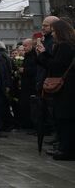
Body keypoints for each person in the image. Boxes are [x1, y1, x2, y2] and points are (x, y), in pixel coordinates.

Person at [36, 19, 75, 160]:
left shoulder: (65, 46)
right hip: (67, 87)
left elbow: (56, 65)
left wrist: (43, 55)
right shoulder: (67, 45)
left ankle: (67, 150)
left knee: (65, 119)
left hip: (67, 88)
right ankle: (64, 147)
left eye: (53, 31)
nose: (52, 34)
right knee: (64, 119)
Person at [19, 38, 38, 130]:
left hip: (32, 85)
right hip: (26, 84)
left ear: (31, 45)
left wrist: (25, 70)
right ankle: (28, 124)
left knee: (33, 107)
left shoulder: (35, 55)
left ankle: (33, 125)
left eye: (25, 46)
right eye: (23, 45)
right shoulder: (27, 55)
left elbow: (36, 69)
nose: (24, 47)